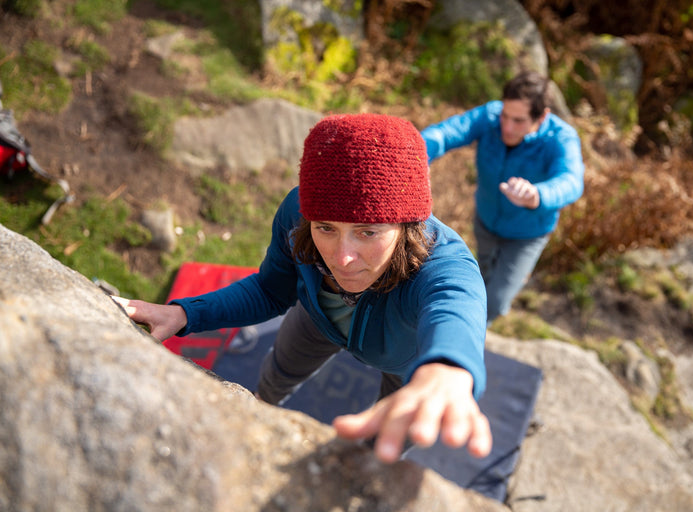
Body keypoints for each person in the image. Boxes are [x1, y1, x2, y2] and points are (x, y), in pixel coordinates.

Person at [114, 113, 492, 464]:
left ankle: (362, 473)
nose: (341, 259)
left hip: (409, 362)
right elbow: (270, 290)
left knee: (387, 437)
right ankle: (263, 405)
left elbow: (456, 306)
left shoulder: (442, 263)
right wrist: (184, 313)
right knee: (279, 371)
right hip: (318, 320)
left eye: (368, 232)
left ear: (407, 226)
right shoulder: (298, 212)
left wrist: (446, 368)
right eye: (326, 228)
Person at [421, 70, 585, 323]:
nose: (507, 127)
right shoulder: (490, 116)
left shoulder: (560, 138)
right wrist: (416, 154)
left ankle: (464, 337)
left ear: (542, 116)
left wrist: (537, 194)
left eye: (518, 121)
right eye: (505, 116)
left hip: (527, 235)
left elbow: (572, 181)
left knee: (496, 300)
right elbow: (447, 132)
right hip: (486, 221)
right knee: (480, 277)